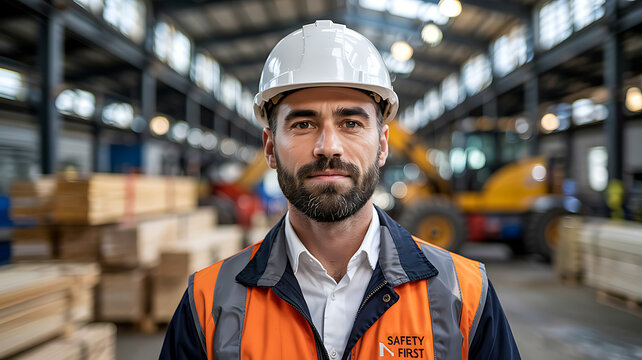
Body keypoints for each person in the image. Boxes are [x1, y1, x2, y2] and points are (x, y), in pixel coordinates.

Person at [160, 20, 520, 360]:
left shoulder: (465, 295)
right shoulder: (209, 303)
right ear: (270, 147)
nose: (328, 146)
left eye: (350, 122)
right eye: (303, 123)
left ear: (382, 145)